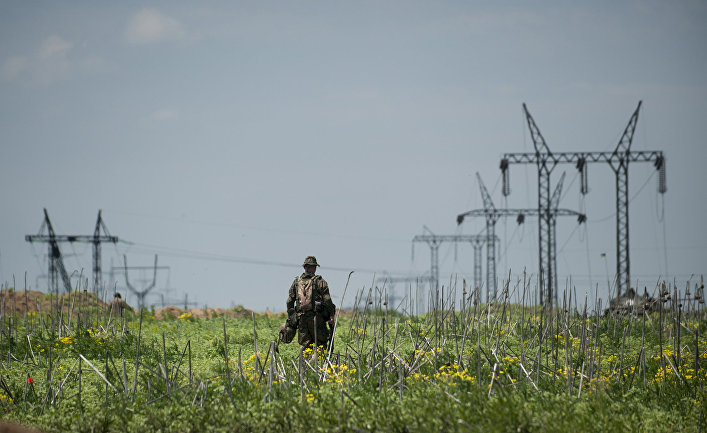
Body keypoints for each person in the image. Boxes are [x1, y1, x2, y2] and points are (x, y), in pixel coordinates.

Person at [285, 256, 336, 351]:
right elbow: (327, 299)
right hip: (316, 318)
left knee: (306, 345)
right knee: (320, 343)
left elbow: (289, 301)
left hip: (301, 319)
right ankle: (318, 363)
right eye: (314, 266)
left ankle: (304, 364)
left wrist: (291, 316)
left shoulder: (296, 282)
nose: (315, 268)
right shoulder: (320, 281)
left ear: (305, 267)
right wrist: (331, 315)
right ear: (312, 267)